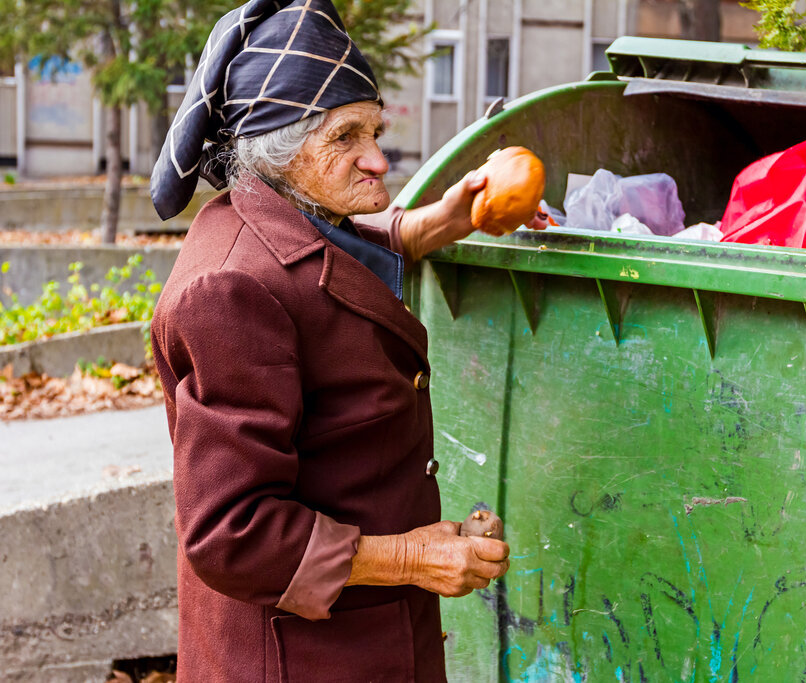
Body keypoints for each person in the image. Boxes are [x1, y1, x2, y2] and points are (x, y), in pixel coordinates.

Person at [148, 1, 545, 680]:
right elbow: (230, 532)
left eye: (376, 129)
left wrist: (440, 221)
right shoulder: (230, 291)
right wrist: (415, 556)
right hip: (296, 658)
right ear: (278, 148)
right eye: (346, 137)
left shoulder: (288, 214)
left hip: (362, 640)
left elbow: (331, 257)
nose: (378, 158)